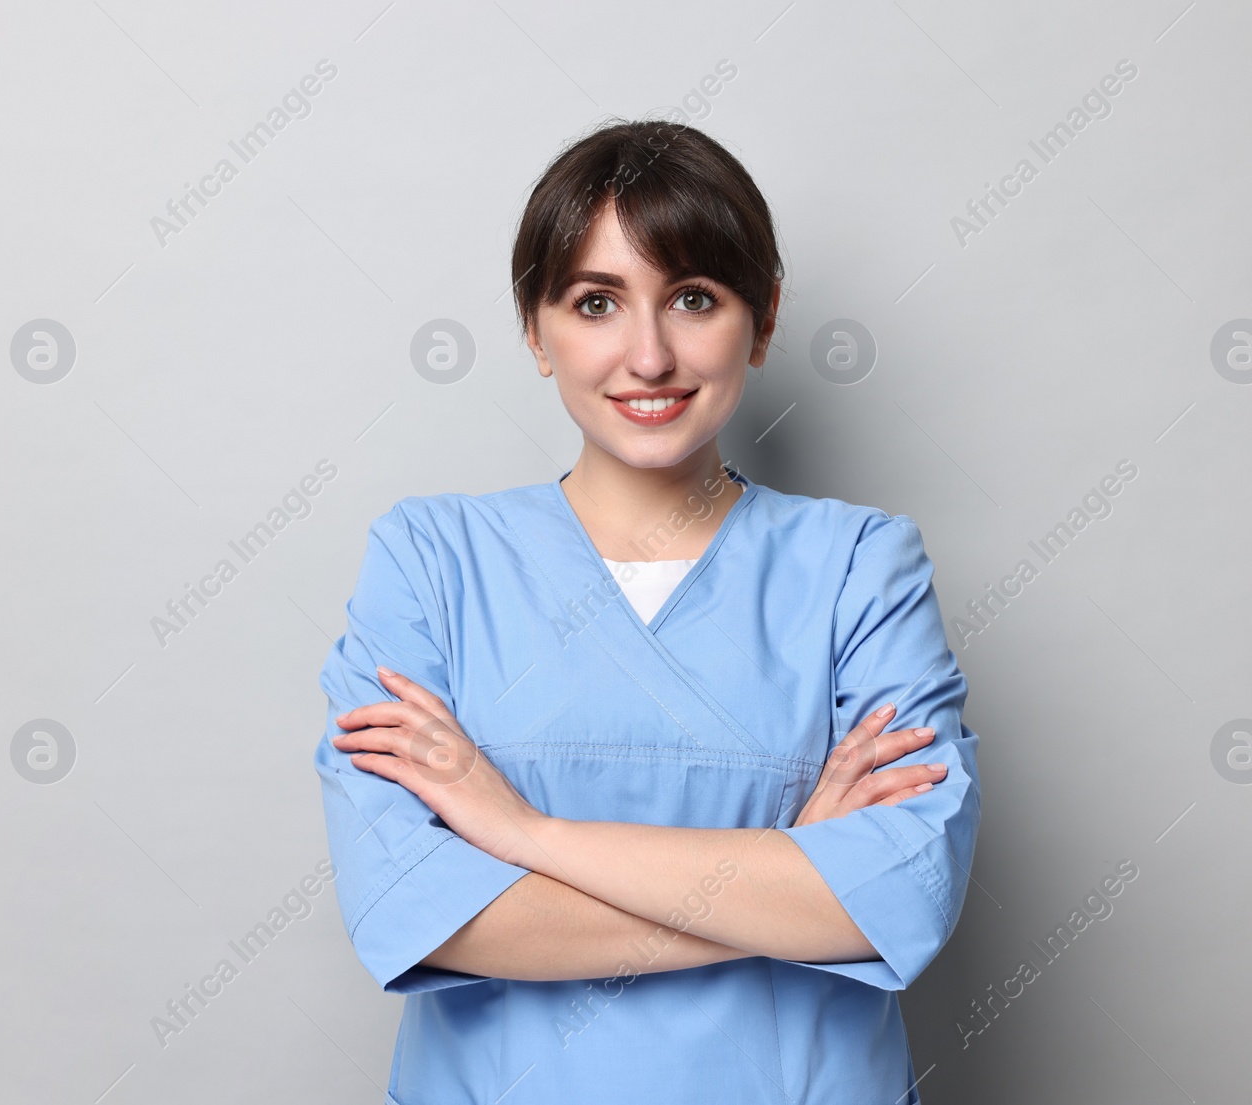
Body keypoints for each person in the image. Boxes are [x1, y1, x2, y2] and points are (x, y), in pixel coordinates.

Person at [314, 119, 980, 1105]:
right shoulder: (429, 564)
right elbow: (409, 908)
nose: (649, 354)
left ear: (762, 319)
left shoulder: (857, 568)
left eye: (694, 299)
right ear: (536, 332)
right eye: (595, 302)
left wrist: (526, 835)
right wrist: (781, 881)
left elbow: (901, 894)